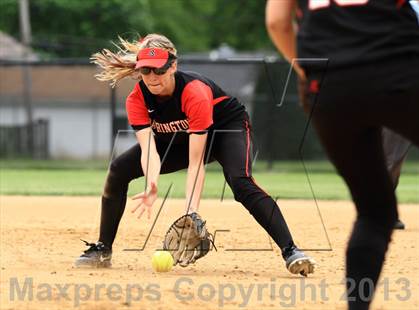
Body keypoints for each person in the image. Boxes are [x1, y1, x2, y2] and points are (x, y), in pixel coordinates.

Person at [75, 33, 316, 276]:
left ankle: (291, 250)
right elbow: (149, 151)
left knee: (240, 183)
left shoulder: (193, 92)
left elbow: (196, 162)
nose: (152, 77)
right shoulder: (136, 99)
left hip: (224, 130)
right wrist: (152, 183)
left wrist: (191, 213)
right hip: (178, 138)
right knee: (118, 169)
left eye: (158, 70)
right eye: (145, 70)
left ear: (173, 66)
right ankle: (103, 249)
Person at [266, 0, 419, 309]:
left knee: (374, 213)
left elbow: (277, 23)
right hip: (400, 72)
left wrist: (308, 71)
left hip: (328, 85)